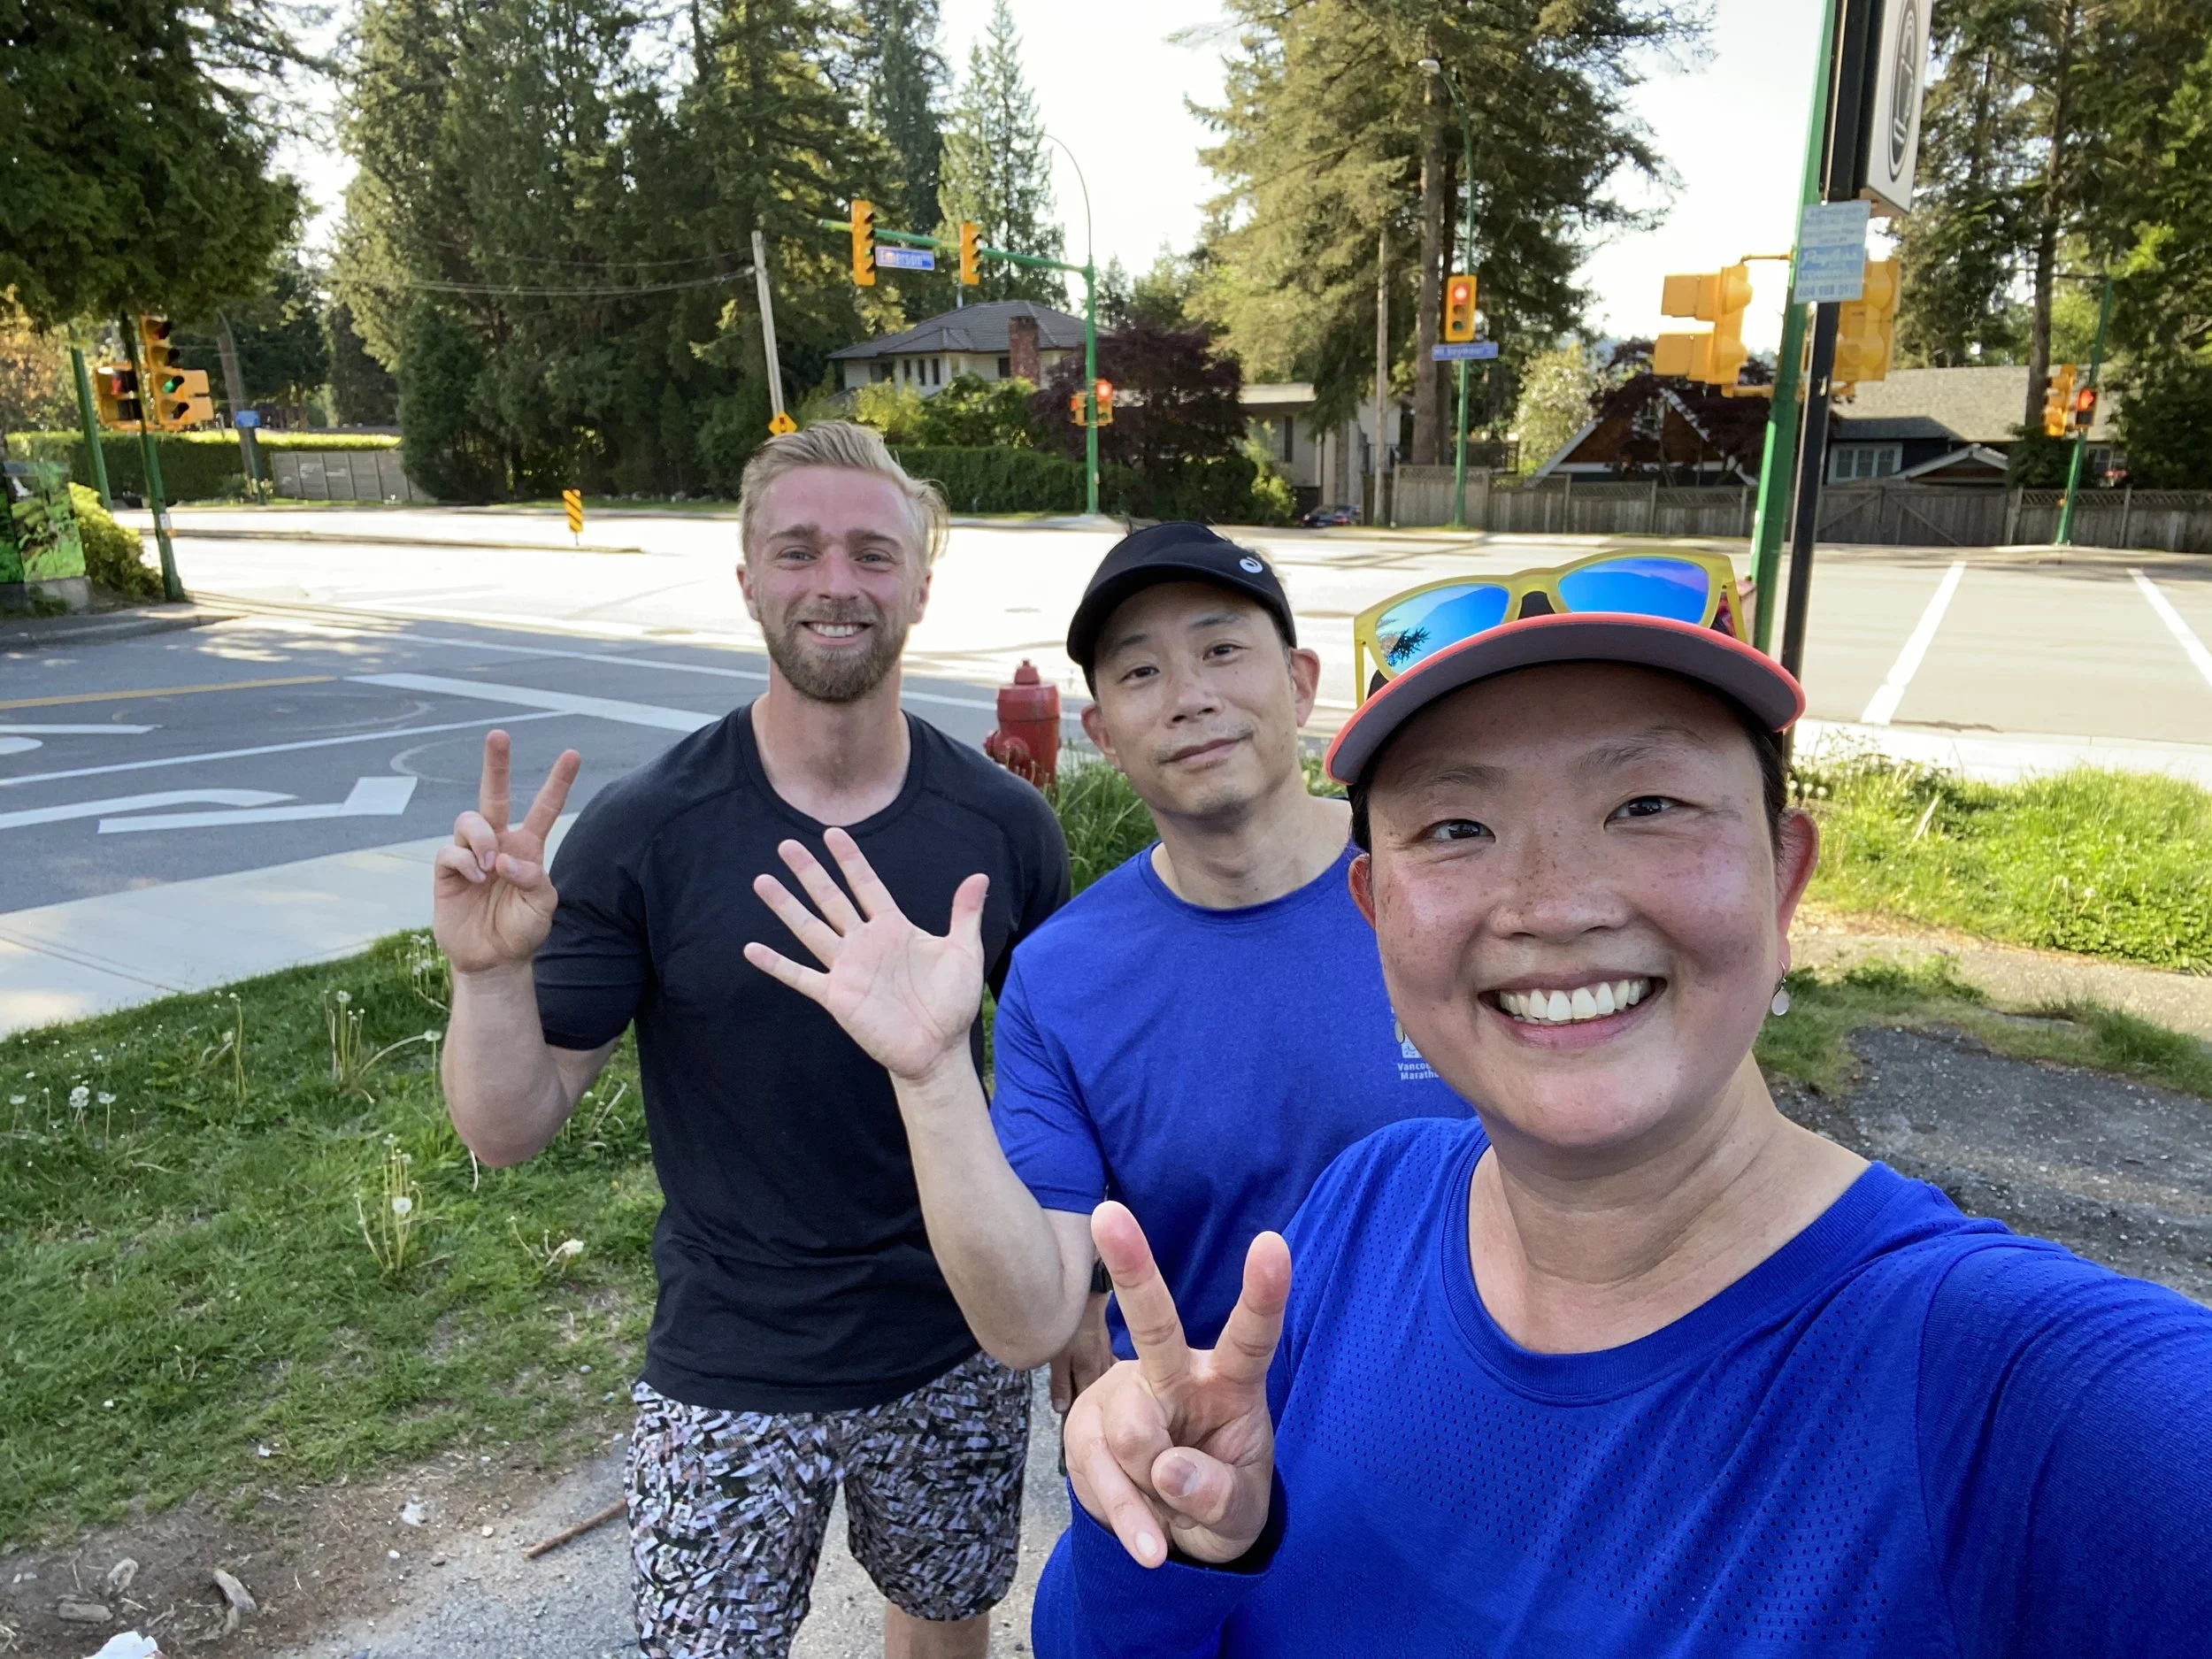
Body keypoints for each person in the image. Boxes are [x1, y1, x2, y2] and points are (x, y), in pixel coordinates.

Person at [1034, 553, 2212, 1655]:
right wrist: (1167, 1531)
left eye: (1647, 803)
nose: (1553, 902)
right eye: (1458, 825)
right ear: (1378, 910)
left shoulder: (2026, 1394)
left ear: (1784, 870)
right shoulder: (1366, 1205)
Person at [433, 421, 1069, 1659]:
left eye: (874, 553)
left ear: (922, 585)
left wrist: (1075, 1296)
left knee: (943, 1619)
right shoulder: (646, 829)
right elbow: (505, 1129)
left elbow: (1064, 1101)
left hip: (951, 1336)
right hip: (725, 1354)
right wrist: (489, 974)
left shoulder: (1006, 830)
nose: (837, 580)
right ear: (748, 580)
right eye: (799, 548)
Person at [742, 523, 1471, 1418]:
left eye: (1222, 649)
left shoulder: (1449, 890)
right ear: (1103, 733)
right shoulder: (1059, 978)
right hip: (1194, 1461)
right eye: (1139, 673)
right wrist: (930, 1077)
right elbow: (1028, 1320)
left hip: (1471, 1433)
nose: (1189, 697)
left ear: (1300, 682)